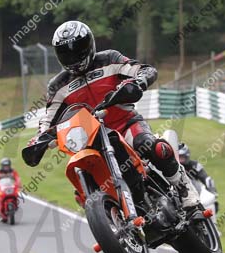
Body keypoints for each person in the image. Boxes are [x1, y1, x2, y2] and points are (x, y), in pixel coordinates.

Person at [31, 20, 199, 208]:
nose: (73, 56)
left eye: (77, 48)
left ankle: (183, 187)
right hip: (90, 140)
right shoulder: (58, 85)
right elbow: (48, 119)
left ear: (89, 44)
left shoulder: (109, 59)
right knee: (81, 186)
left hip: (126, 124)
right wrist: (39, 139)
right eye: (66, 52)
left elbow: (144, 70)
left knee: (151, 146)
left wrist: (137, 83)